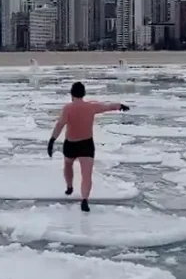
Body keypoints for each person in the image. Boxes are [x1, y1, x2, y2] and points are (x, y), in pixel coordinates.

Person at [47, 82, 129, 212]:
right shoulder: (91, 106)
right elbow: (106, 106)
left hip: (71, 144)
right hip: (86, 144)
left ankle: (69, 187)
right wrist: (120, 106)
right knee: (87, 174)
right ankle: (84, 199)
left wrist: (52, 140)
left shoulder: (68, 108)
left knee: (68, 164)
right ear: (84, 93)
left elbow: (60, 125)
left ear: (72, 94)